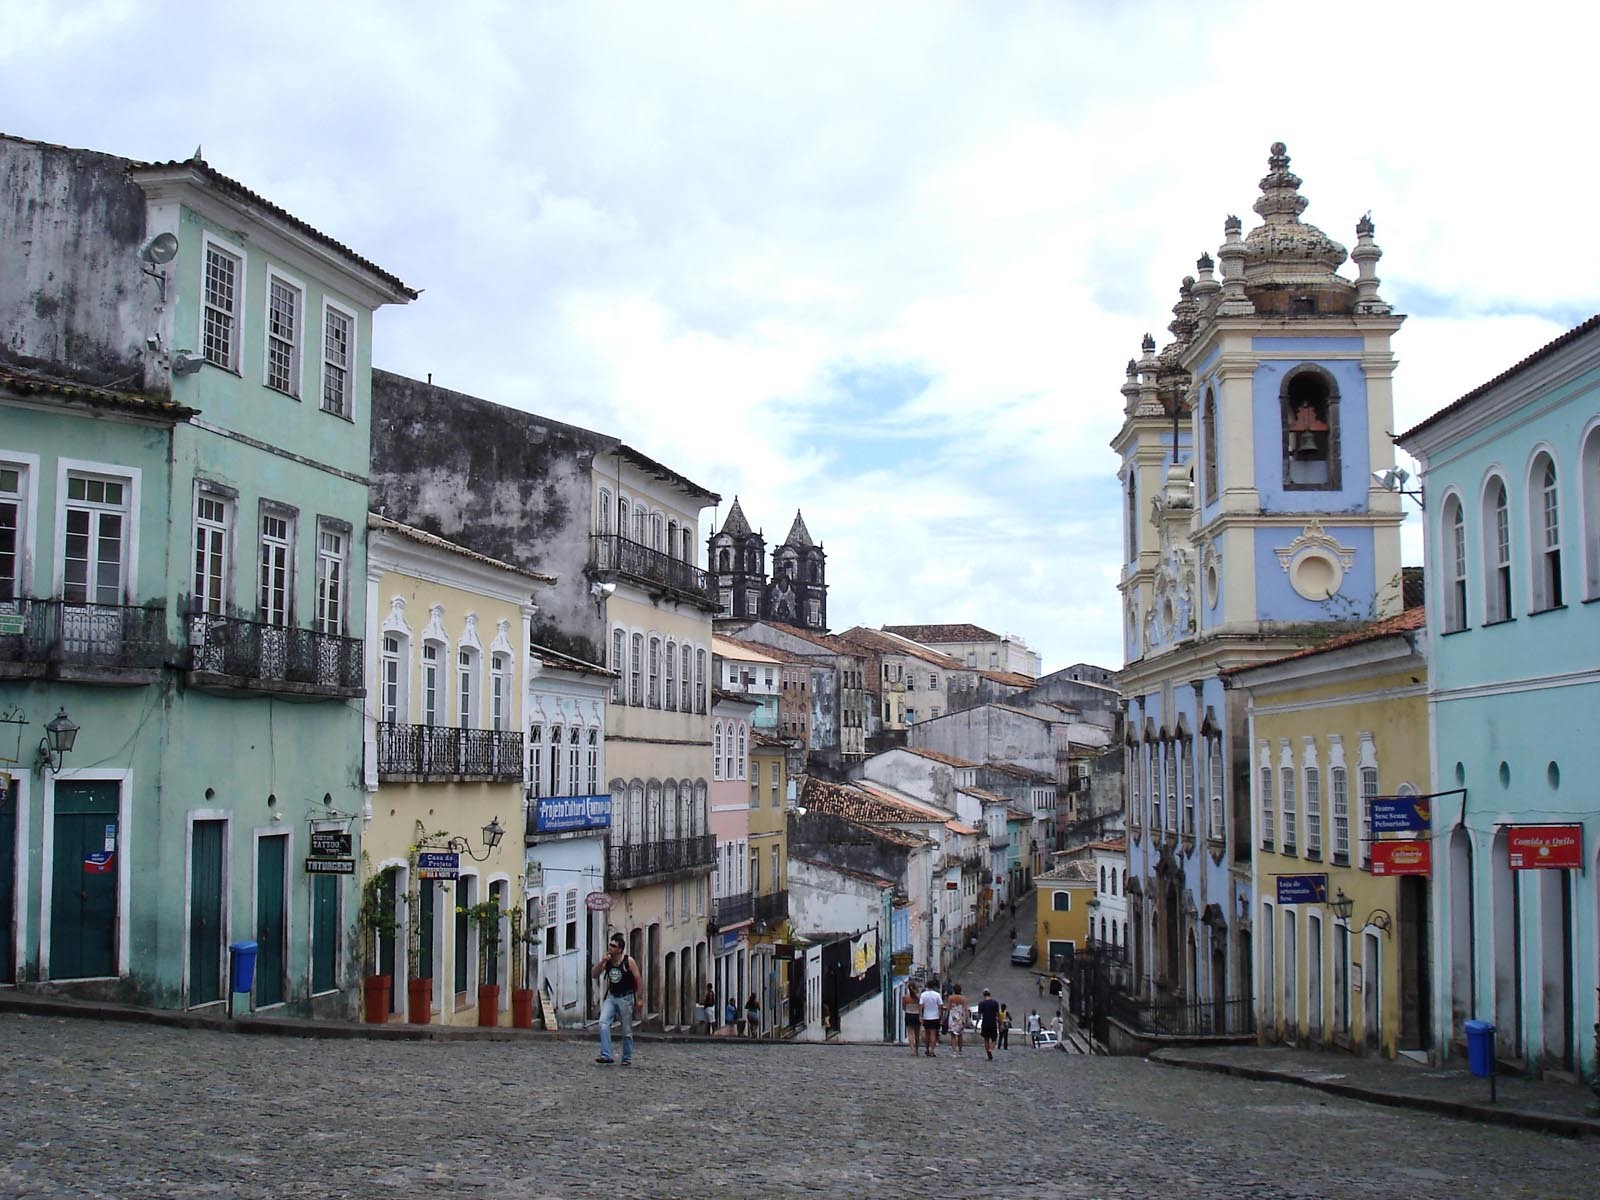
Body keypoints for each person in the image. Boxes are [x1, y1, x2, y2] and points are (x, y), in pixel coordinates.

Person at [590, 932, 639, 1066]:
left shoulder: (628, 961)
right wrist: (603, 962)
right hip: (611, 997)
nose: (610, 948)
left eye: (613, 946)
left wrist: (639, 998)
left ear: (620, 949)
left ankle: (627, 1058)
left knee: (626, 1031)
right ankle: (606, 1054)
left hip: (626, 998)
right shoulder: (608, 961)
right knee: (603, 1023)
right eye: (610, 945)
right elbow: (594, 975)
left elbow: (638, 978)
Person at [918, 978, 944, 1057]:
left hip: (926, 1016)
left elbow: (921, 1005)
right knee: (933, 1034)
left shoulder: (923, 994)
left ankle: (927, 1049)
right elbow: (940, 1006)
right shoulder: (937, 995)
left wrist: (920, 1015)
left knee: (927, 1033)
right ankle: (932, 1050)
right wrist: (941, 1015)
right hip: (935, 1016)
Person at [946, 981, 969, 1056]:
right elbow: (965, 1009)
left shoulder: (951, 998)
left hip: (953, 1017)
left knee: (953, 1035)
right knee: (960, 1035)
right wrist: (967, 1018)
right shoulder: (963, 998)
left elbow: (948, 1008)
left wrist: (944, 1018)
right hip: (960, 1017)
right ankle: (960, 1050)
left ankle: (954, 1051)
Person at [977, 988, 1000, 1060]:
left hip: (985, 1023)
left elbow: (979, 1015)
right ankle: (991, 1049)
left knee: (986, 1039)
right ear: (990, 994)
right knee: (994, 1040)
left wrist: (976, 1025)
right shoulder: (995, 1003)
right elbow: (997, 1015)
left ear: (983, 995)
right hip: (993, 1023)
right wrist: (1000, 1024)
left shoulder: (981, 1004)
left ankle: (989, 1054)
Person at [902, 985, 922, 1055]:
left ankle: (912, 1049)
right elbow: (921, 1007)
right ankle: (916, 1049)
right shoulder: (919, 998)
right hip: (916, 1015)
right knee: (917, 1034)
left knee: (910, 1033)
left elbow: (904, 1007)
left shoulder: (905, 997)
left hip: (909, 1014)